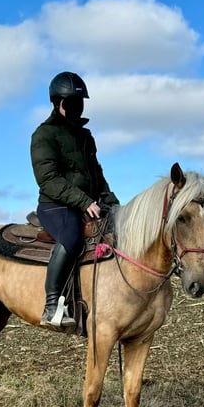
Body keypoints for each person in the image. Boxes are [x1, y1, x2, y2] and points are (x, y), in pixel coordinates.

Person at [30, 71, 120, 331]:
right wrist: (82, 201)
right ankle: (51, 305)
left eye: (80, 102)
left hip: (87, 202)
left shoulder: (85, 136)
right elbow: (48, 179)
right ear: (57, 102)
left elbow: (96, 174)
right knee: (71, 237)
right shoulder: (43, 135)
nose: (77, 107)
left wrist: (114, 204)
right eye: (71, 102)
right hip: (55, 205)